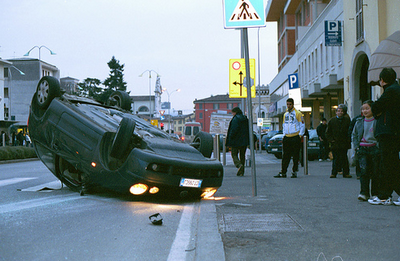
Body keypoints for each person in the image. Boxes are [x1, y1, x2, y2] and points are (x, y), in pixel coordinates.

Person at [368, 68, 400, 205]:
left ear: (382, 80)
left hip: (388, 132)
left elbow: (375, 107)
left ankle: (384, 196)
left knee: (387, 164)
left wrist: (378, 111)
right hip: (393, 131)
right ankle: (385, 194)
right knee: (391, 163)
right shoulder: (395, 89)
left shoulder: (391, 91)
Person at [352, 100, 379, 201]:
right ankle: (364, 193)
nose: (365, 111)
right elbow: (354, 134)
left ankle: (375, 193)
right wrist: (356, 146)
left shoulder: (377, 120)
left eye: (367, 108)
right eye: (363, 109)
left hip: (374, 148)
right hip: (362, 148)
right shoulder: (359, 121)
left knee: (375, 172)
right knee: (364, 172)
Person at [274, 98, 305, 178]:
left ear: (293, 104)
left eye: (290, 104)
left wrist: (300, 135)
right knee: (285, 156)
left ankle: (294, 171)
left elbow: (302, 125)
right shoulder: (285, 114)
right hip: (287, 137)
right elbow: (284, 125)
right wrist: (284, 135)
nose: (288, 106)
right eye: (287, 104)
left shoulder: (298, 113)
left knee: (295, 155)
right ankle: (283, 172)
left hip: (295, 136)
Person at [326, 104, 352, 178]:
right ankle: (334, 173)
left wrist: (348, 140)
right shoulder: (332, 120)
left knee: (344, 158)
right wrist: (331, 140)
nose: (340, 112)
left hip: (344, 143)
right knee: (336, 159)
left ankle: (346, 173)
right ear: (336, 112)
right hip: (335, 143)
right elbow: (328, 132)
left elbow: (349, 131)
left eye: (341, 111)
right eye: (338, 111)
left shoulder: (346, 120)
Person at [226, 107, 249, 176]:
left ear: (235, 112)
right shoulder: (245, 118)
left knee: (234, 154)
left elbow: (233, 130)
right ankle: (242, 172)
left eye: (232, 112)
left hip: (236, 140)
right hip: (244, 140)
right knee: (242, 155)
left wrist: (230, 138)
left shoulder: (235, 119)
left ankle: (239, 165)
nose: (232, 114)